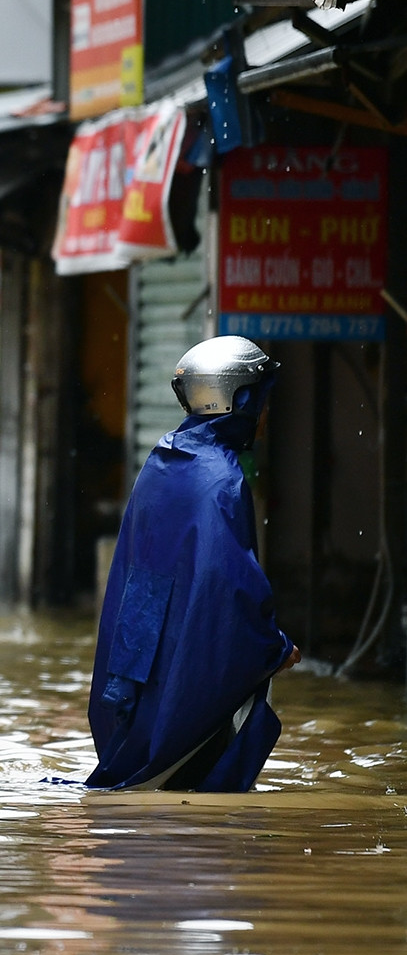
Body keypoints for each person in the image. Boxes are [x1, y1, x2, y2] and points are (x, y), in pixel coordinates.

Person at [87, 336, 300, 792]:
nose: (265, 415)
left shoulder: (164, 457)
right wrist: (276, 648)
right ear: (239, 399)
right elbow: (232, 585)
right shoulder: (221, 476)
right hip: (184, 650)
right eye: (260, 402)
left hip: (140, 649)